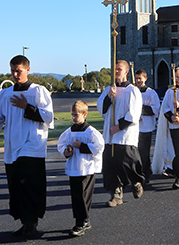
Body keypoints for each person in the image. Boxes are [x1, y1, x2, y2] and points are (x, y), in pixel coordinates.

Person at [0, 55, 54, 238]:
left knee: (30, 185)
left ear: (28, 69)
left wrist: (26, 106)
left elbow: (48, 117)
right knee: (16, 186)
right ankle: (25, 222)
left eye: (18, 70)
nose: (15, 74)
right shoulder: (5, 94)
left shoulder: (38, 92)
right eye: (12, 70)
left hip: (32, 145)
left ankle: (32, 223)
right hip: (12, 147)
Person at [96, 60, 144, 207]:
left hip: (125, 134)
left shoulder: (132, 90)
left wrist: (119, 126)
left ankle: (136, 182)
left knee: (127, 162)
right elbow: (100, 108)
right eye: (115, 69)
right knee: (110, 164)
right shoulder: (108, 90)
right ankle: (116, 194)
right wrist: (109, 97)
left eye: (119, 69)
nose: (116, 72)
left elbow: (134, 113)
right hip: (110, 135)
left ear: (126, 72)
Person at [57, 101, 104, 237]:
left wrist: (82, 146)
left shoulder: (91, 132)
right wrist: (66, 152)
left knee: (83, 196)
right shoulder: (69, 132)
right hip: (73, 168)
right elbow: (61, 144)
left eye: (76, 115)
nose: (73, 117)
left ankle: (81, 222)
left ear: (84, 114)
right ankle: (83, 220)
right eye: (72, 115)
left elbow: (99, 147)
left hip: (86, 169)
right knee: (76, 196)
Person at [135, 69, 160, 184]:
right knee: (136, 153)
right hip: (134, 128)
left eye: (140, 78)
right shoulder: (133, 92)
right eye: (136, 78)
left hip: (146, 127)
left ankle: (146, 174)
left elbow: (156, 109)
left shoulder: (151, 93)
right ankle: (138, 173)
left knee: (144, 152)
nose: (138, 80)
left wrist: (142, 109)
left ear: (145, 79)